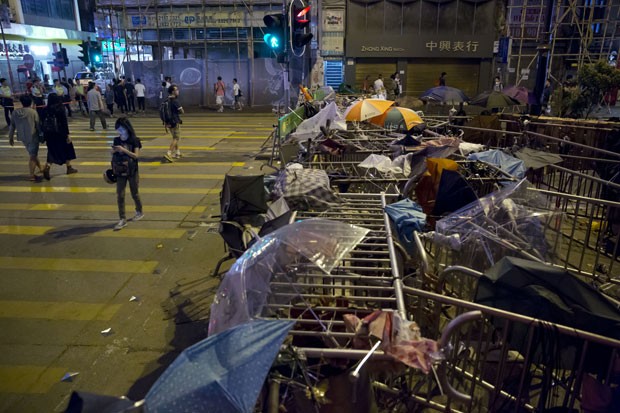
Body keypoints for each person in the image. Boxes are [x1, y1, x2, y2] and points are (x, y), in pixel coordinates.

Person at [111, 117, 143, 231]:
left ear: (127, 128)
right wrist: (114, 150)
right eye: (118, 129)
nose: (120, 131)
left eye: (121, 129)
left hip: (132, 170)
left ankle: (139, 211)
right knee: (120, 195)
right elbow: (113, 153)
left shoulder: (134, 140)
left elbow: (136, 156)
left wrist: (123, 150)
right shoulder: (116, 140)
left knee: (134, 193)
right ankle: (122, 219)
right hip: (120, 171)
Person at [42, 93, 77, 180]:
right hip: (60, 133)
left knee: (52, 151)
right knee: (67, 148)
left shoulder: (45, 109)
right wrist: (67, 134)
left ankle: (47, 166)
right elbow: (64, 122)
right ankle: (69, 167)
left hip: (49, 134)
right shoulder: (60, 108)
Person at [8, 94, 43, 181]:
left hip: (22, 137)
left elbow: (12, 126)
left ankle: (41, 168)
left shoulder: (15, 112)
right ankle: (31, 175)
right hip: (33, 136)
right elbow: (38, 125)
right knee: (33, 155)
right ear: (31, 102)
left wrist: (10, 137)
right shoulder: (33, 112)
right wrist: (41, 135)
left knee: (32, 153)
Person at [164, 84, 184, 162]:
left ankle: (177, 153)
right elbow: (182, 112)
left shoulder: (166, 100)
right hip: (175, 121)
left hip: (168, 122)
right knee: (176, 138)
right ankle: (169, 153)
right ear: (173, 91)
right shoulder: (175, 101)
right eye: (176, 90)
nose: (178, 91)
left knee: (175, 137)